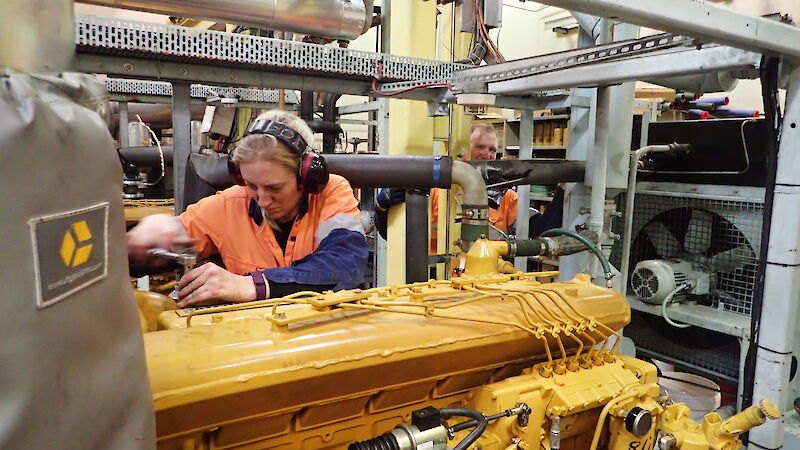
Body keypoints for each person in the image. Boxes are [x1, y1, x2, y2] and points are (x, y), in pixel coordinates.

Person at [127, 110, 368, 308]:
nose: (262, 200)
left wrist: (250, 285)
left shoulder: (331, 193)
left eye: (275, 187)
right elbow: (166, 241)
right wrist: (139, 244)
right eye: (252, 185)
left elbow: (345, 265)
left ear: (306, 177)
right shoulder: (228, 204)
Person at [375, 125, 518, 246]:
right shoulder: (434, 190)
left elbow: (528, 228)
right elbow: (391, 235)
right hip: (434, 272)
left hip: (486, 273)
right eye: (480, 147)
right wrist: (381, 207)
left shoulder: (505, 196)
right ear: (464, 151)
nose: (488, 155)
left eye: (492, 150)